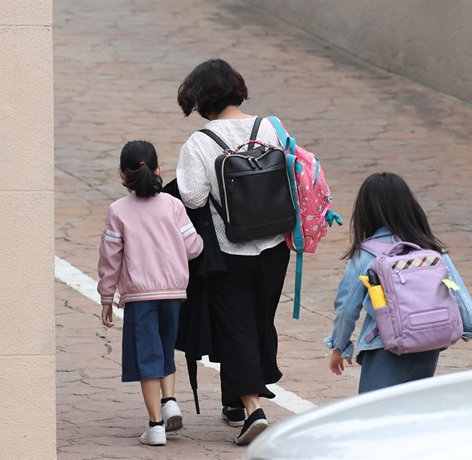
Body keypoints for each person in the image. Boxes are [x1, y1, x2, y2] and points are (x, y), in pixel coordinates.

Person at [175, 59, 291, 445]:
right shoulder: (271, 127)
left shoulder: (200, 142)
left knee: (236, 326)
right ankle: (234, 401)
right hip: (275, 245)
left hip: (230, 249)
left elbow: (191, 195)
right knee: (260, 320)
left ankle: (253, 408)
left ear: (200, 99)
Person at [325, 172, 472, 393]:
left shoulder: (366, 255)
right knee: (412, 412)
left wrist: (339, 345)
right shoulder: (429, 248)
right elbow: (457, 290)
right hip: (428, 345)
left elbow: (346, 308)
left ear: (366, 211)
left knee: (375, 416)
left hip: (385, 347)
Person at [97, 140, 204, 446]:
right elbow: (193, 247)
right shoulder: (173, 205)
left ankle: (155, 424)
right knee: (166, 347)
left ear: (122, 174)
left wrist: (107, 297)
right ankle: (170, 400)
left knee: (147, 357)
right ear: (158, 170)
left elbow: (110, 258)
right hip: (173, 292)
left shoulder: (118, 211)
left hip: (139, 297)